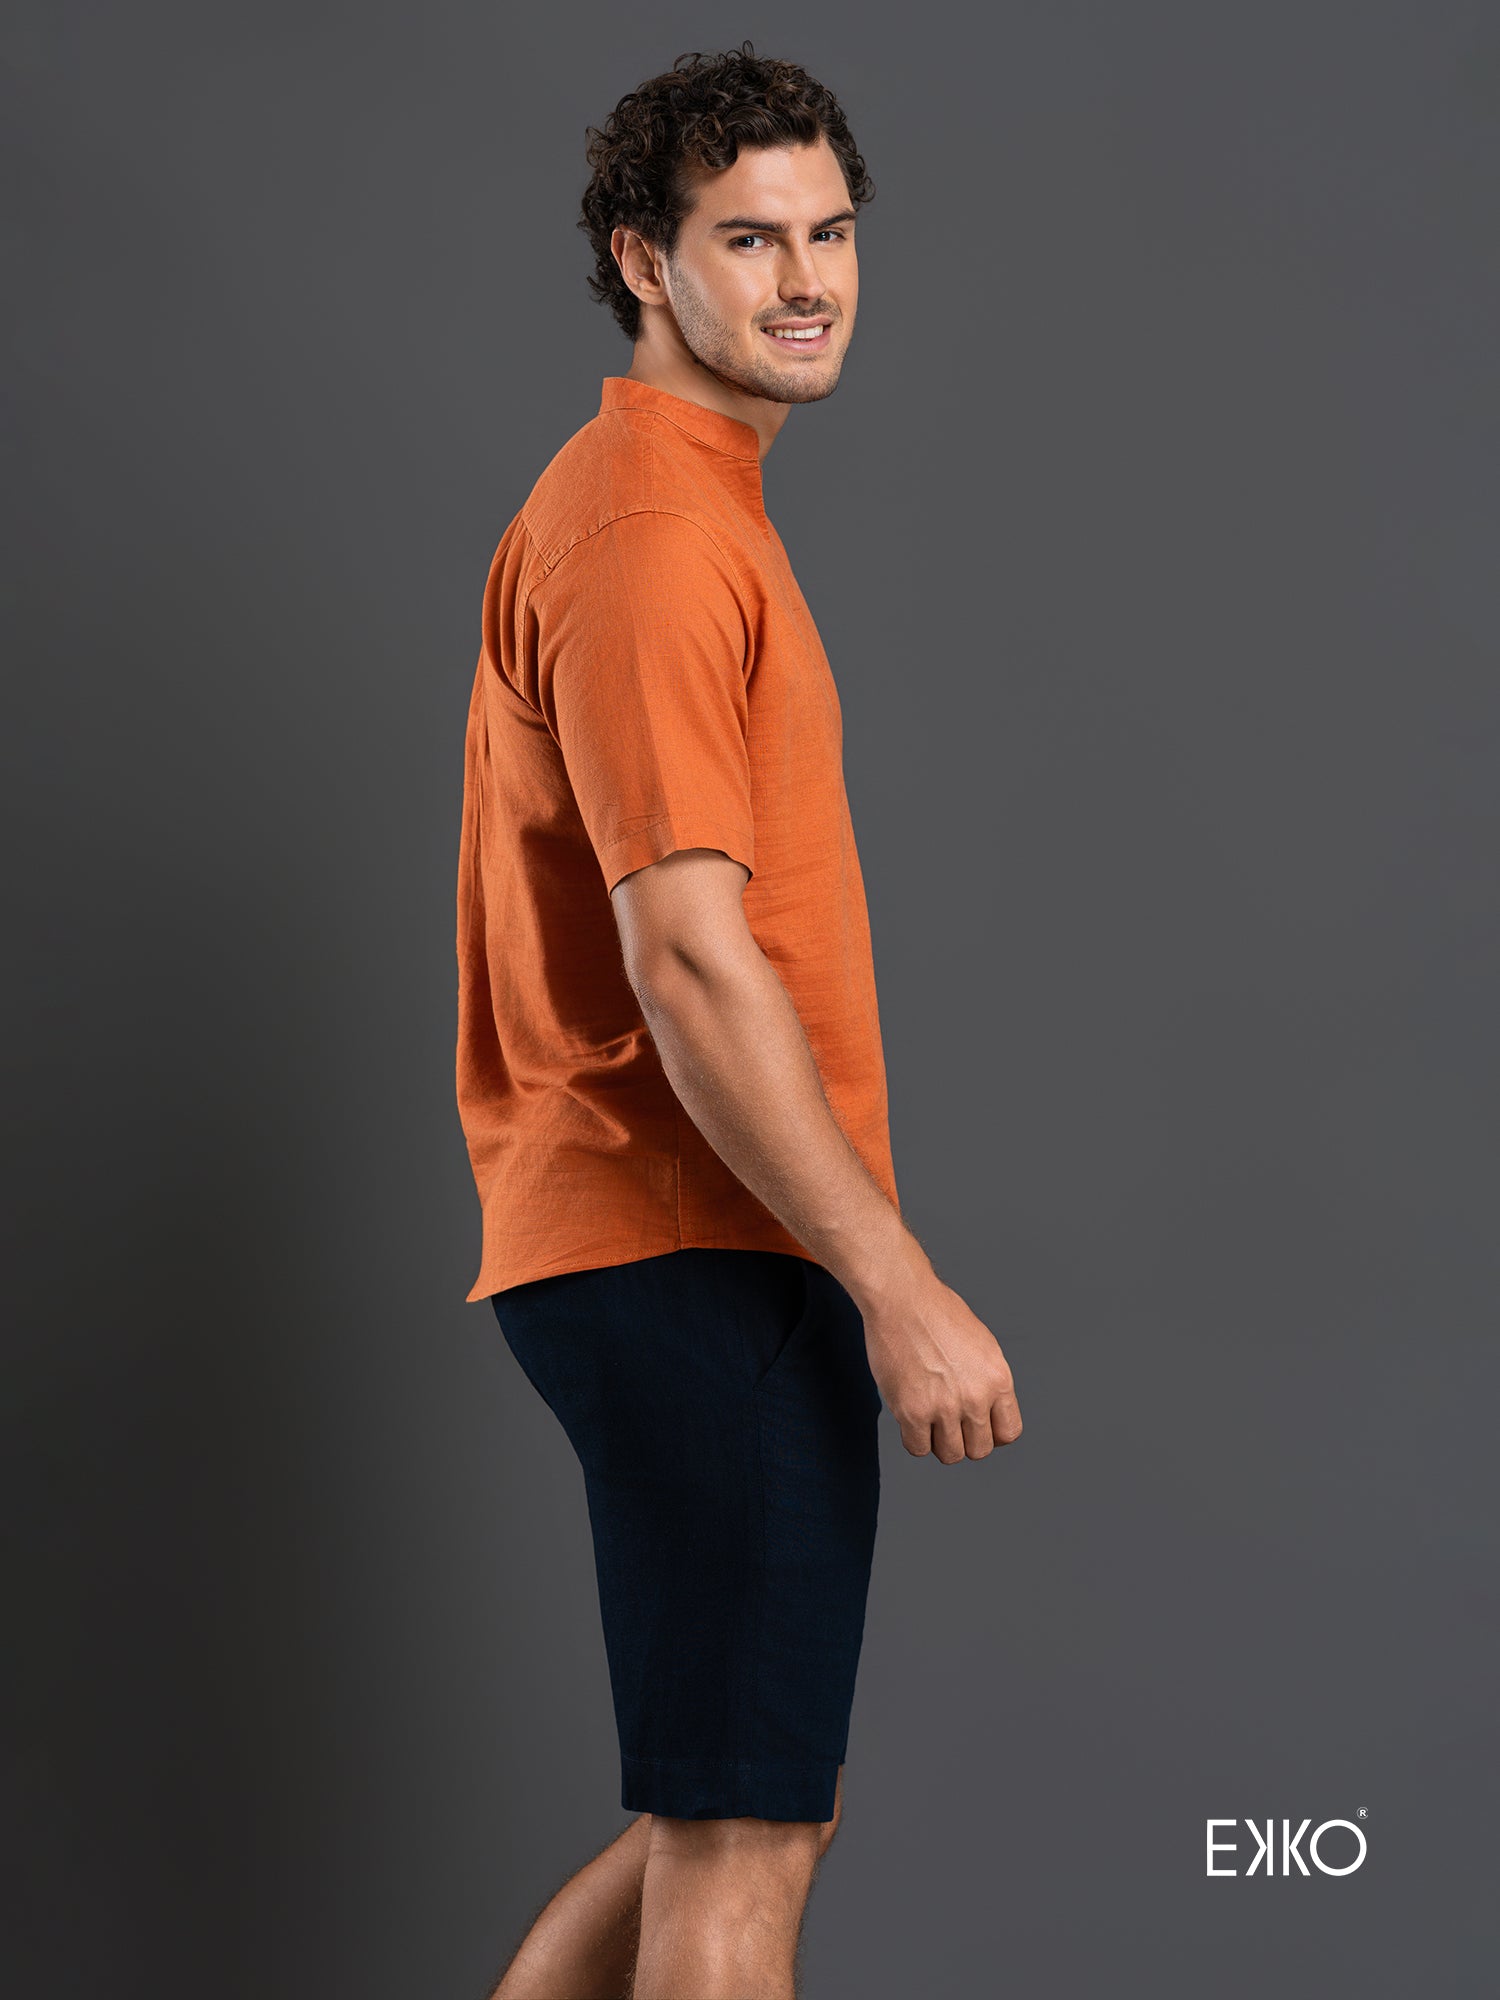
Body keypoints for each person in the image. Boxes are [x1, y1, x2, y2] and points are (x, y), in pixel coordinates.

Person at [454, 42, 1023, 2000]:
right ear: (644, 260)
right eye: (749, 239)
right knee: (739, 1849)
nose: (806, 280)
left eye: (830, 234)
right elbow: (687, 957)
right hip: (695, 1235)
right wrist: (895, 1278)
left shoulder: (683, 504)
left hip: (681, 1238)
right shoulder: (649, 535)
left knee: (744, 1805)